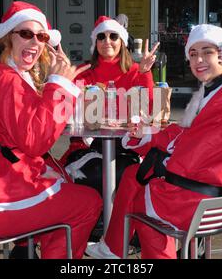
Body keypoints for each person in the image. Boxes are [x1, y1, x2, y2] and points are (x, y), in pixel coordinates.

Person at [85, 24, 222, 259]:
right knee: (133, 174)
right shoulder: (213, 91)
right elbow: (186, 135)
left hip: (211, 201)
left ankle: (115, 248)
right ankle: (112, 247)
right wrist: (145, 136)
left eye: (207, 52)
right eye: (193, 54)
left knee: (140, 200)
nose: (199, 59)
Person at [0, 1, 102, 259]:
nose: (35, 41)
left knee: (62, 189)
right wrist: (59, 86)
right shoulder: (7, 80)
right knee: (89, 202)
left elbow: (30, 125)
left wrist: (59, 87)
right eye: (25, 33)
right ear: (7, 39)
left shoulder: (4, 75)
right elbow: (36, 142)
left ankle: (28, 252)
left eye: (41, 36)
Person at [59, 15, 159, 195]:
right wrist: (61, 79)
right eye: (101, 36)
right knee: (96, 174)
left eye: (113, 36)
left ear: (121, 41)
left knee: (123, 173)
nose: (107, 41)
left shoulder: (136, 70)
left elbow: (149, 108)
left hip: (127, 146)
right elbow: (65, 109)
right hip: (86, 147)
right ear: (95, 42)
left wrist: (145, 73)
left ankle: (114, 218)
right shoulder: (83, 72)